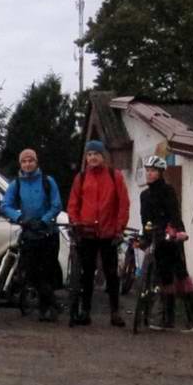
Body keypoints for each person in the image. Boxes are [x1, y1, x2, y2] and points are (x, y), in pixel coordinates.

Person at [67, 140, 130, 328]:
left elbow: (123, 204)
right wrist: (75, 222)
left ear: (103, 156)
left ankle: (115, 312)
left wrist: (120, 228)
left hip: (109, 233)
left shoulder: (115, 176)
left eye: (96, 154)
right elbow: (73, 203)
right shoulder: (81, 177)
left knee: (111, 274)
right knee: (86, 274)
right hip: (86, 232)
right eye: (89, 154)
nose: (92, 157)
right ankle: (85, 311)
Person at [0, 148, 62, 322]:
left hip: (48, 233)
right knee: (31, 272)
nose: (28, 164)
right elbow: (5, 206)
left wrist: (44, 220)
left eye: (31, 161)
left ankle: (45, 308)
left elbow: (56, 205)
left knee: (47, 272)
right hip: (29, 233)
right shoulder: (16, 184)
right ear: (20, 164)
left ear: (36, 162)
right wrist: (20, 218)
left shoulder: (47, 181)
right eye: (24, 161)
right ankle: (52, 303)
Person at [139, 155, 193, 331]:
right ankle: (168, 319)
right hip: (156, 237)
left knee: (181, 275)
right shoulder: (144, 195)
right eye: (148, 171)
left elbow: (174, 213)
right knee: (165, 277)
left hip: (171, 235)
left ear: (160, 173)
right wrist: (145, 235)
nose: (149, 174)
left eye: (153, 171)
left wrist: (176, 230)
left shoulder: (168, 191)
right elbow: (145, 219)